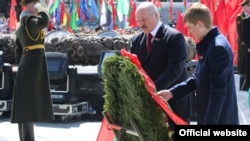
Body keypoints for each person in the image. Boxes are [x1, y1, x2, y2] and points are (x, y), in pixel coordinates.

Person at [157, 3, 239, 125]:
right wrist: (172, 92)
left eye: (190, 27)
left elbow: (218, 93)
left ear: (200, 24)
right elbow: (198, 77)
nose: (189, 32)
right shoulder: (210, 44)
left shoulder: (217, 48)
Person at [130, 2, 191, 128]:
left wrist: (152, 90)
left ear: (156, 15)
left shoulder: (174, 37)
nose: (141, 24)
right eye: (138, 20)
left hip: (172, 102)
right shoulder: (137, 40)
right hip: (148, 103)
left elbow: (175, 69)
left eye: (144, 19)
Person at [10, 0, 55, 141]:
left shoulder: (23, 21)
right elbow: (42, 22)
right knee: (26, 105)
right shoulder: (28, 19)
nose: (37, 7)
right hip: (32, 63)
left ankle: (26, 138)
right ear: (30, 6)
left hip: (30, 62)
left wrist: (20, 65)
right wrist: (43, 10)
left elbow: (18, 50)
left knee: (27, 104)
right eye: (35, 5)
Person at [235, 0, 250, 90]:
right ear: (244, 6)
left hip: (246, 40)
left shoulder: (247, 16)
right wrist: (243, 40)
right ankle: (241, 68)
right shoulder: (240, 16)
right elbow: (239, 30)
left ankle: (245, 68)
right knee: (242, 55)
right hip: (242, 41)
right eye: (248, 6)